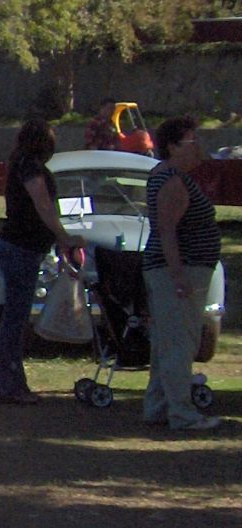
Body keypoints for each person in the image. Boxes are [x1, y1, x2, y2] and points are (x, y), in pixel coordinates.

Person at [0, 119, 84, 406]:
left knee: (15, 318)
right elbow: (43, 205)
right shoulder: (30, 168)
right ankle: (10, 385)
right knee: (15, 319)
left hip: (20, 246)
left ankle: (12, 383)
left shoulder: (21, 164)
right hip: (21, 247)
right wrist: (63, 236)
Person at [142, 117, 224, 432]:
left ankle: (158, 406)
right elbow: (167, 231)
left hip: (175, 269)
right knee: (180, 341)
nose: (198, 148)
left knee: (167, 341)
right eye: (192, 142)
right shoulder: (171, 180)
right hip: (177, 270)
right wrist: (178, 276)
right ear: (174, 147)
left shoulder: (168, 176)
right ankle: (182, 413)